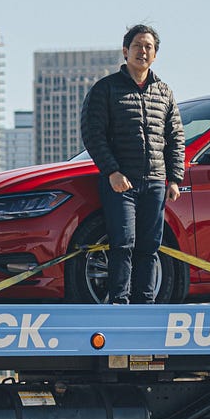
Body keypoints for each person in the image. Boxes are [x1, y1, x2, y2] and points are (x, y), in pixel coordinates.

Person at [79, 24, 185, 304]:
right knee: (122, 244)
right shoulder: (106, 89)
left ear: (155, 55)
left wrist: (174, 178)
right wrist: (112, 171)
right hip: (120, 183)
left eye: (149, 47)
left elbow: (175, 136)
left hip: (154, 183)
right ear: (125, 51)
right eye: (137, 45)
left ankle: (145, 308)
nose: (143, 51)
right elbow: (93, 133)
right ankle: (120, 305)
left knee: (149, 248)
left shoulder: (164, 92)